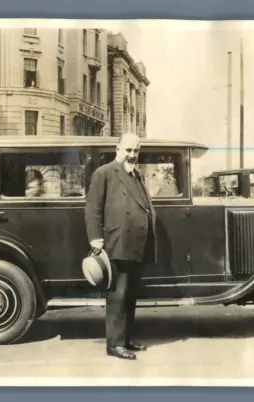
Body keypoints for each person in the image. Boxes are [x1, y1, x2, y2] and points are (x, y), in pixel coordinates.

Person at [85, 132, 157, 361]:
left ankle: (125, 339)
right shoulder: (105, 173)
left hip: (136, 244)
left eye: (136, 150)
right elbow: (93, 208)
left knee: (130, 295)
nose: (132, 155)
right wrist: (95, 239)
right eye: (128, 150)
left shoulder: (136, 175)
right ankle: (114, 344)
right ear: (118, 149)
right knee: (118, 295)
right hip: (117, 243)